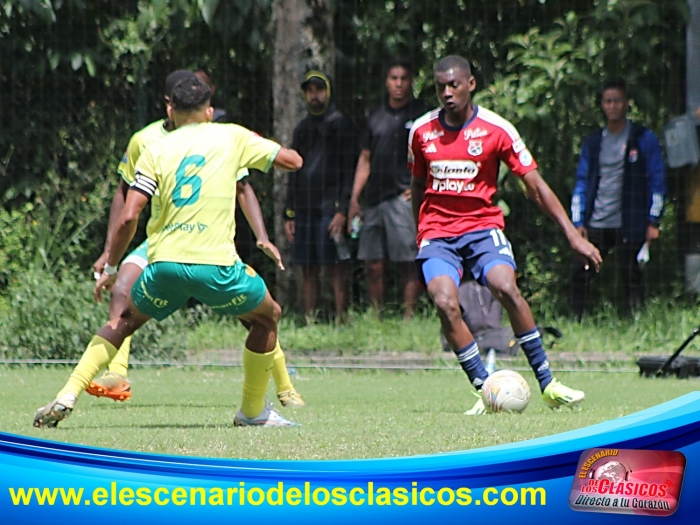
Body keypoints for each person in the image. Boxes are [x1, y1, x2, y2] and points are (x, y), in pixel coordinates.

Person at [34, 74, 303, 428]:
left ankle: (67, 394)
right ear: (209, 111)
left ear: (171, 110)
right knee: (267, 316)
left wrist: (111, 265)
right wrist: (257, 142)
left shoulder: (155, 148)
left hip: (163, 266)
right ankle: (253, 412)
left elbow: (129, 215)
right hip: (217, 266)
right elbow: (293, 161)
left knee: (123, 322)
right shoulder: (232, 135)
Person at [408, 55, 602, 414]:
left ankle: (548, 383)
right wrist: (420, 233)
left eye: (454, 85)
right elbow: (417, 184)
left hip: (483, 230)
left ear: (471, 84)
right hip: (438, 233)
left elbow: (535, 187)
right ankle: (485, 389)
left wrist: (573, 236)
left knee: (506, 287)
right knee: (445, 302)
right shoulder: (421, 131)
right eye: (440, 87)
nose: (447, 93)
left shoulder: (498, 129)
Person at [570, 78, 666, 320]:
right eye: (608, 101)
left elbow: (658, 180)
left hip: (629, 222)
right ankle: (576, 319)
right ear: (602, 105)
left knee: (632, 274)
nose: (612, 106)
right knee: (581, 271)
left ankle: (635, 321)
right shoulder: (593, 142)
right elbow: (582, 181)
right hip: (597, 222)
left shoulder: (643, 138)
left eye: (617, 101)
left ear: (626, 104)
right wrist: (578, 222)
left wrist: (653, 221)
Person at [347, 60, 429, 318]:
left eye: (404, 78)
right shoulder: (375, 117)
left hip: (403, 197)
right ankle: (376, 315)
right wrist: (354, 199)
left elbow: (433, 155)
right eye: (394, 78)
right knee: (373, 263)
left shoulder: (421, 116)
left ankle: (409, 316)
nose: (398, 84)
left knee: (408, 261)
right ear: (386, 81)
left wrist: (422, 188)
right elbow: (365, 158)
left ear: (411, 81)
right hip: (374, 200)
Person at [284, 70, 357, 321]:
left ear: (328, 92)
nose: (315, 96)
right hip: (305, 209)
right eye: (310, 91)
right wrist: (289, 212)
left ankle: (341, 319)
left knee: (336, 266)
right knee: (307, 267)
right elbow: (293, 170)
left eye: (319, 90)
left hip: (331, 207)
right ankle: (310, 320)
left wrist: (342, 210)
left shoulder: (340, 124)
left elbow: (349, 169)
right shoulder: (302, 128)